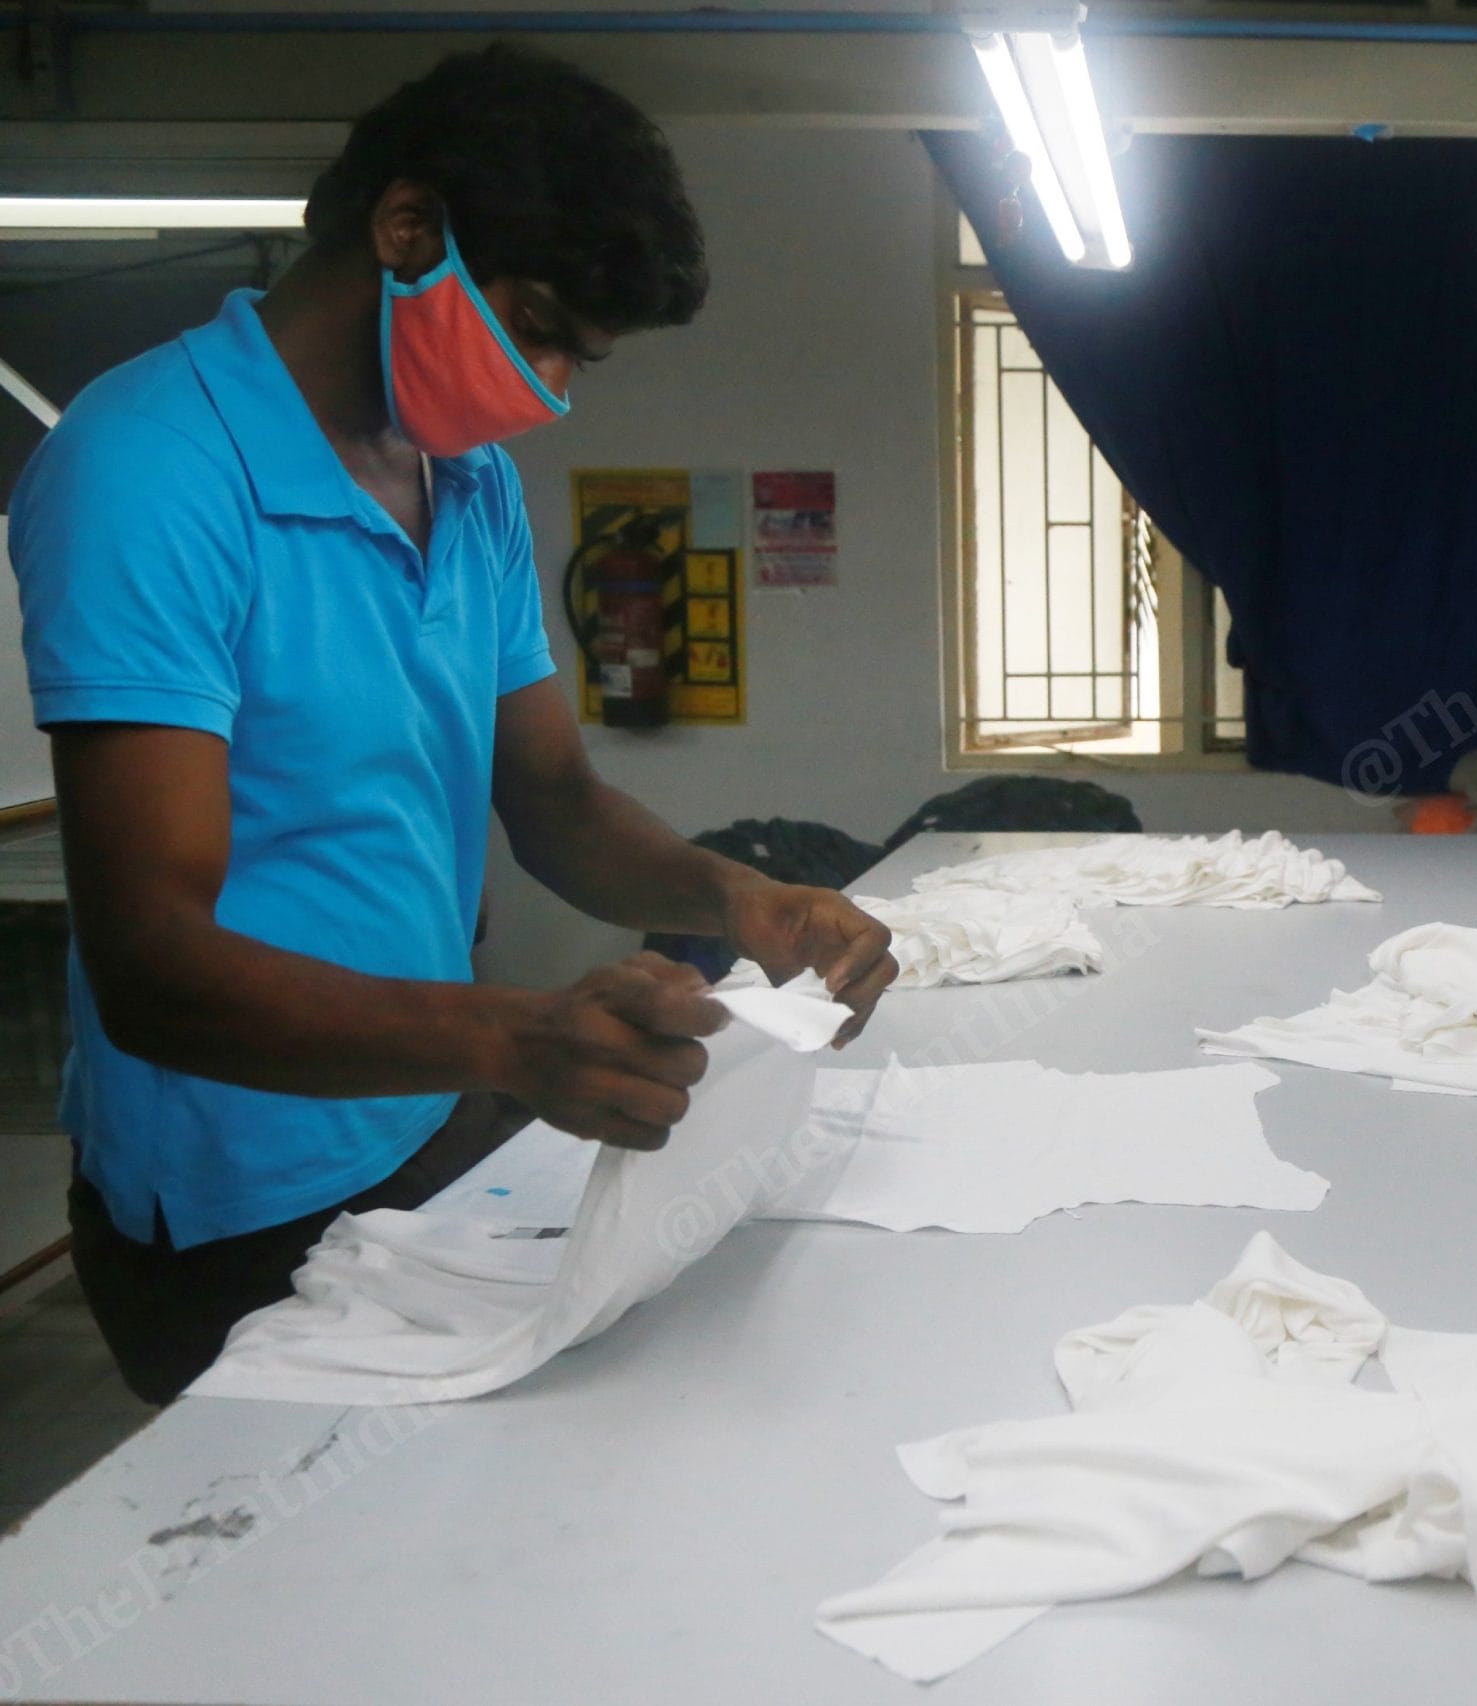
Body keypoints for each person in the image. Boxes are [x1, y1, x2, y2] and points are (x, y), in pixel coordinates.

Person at [9, 45, 896, 1404]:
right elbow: (153, 963)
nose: (545, 381)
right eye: (534, 325)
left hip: (429, 1116)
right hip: (240, 1186)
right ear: (408, 226)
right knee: (297, 1584)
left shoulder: (464, 484)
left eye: (572, 359)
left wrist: (743, 897)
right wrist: (512, 1036)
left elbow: (550, 796)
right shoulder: (149, 469)